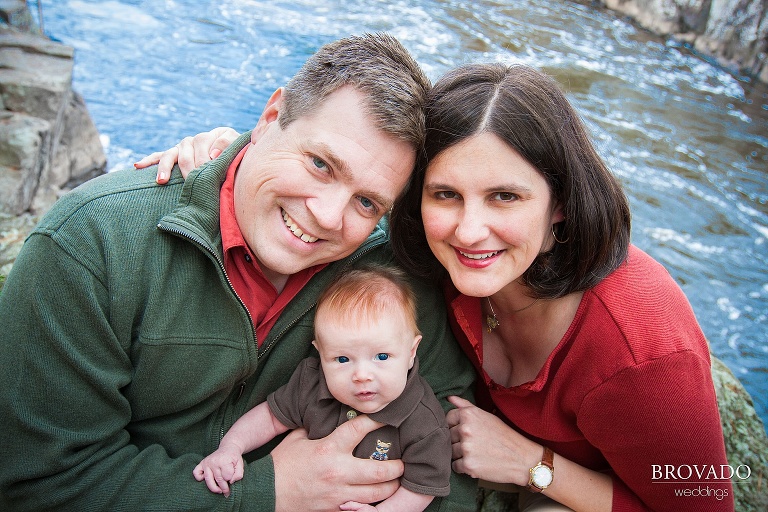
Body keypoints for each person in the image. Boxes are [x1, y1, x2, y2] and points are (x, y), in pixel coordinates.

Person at [147, 63, 734, 512]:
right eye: (445, 194)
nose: (468, 229)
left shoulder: (642, 355)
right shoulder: (441, 270)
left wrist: (533, 464)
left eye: (505, 196)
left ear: (560, 204)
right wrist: (235, 157)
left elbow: (703, 502)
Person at [0, 33, 478, 512]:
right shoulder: (92, 244)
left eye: (367, 202)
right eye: (320, 164)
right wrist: (271, 492)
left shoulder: (393, 280)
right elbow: (41, 483)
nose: (329, 216)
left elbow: (457, 466)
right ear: (271, 118)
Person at [194, 265, 451, 512]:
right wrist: (231, 448)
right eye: (342, 359)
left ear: (411, 352)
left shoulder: (424, 420)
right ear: (321, 354)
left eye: (381, 357)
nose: (361, 375)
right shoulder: (312, 383)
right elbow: (271, 418)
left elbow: (424, 486)